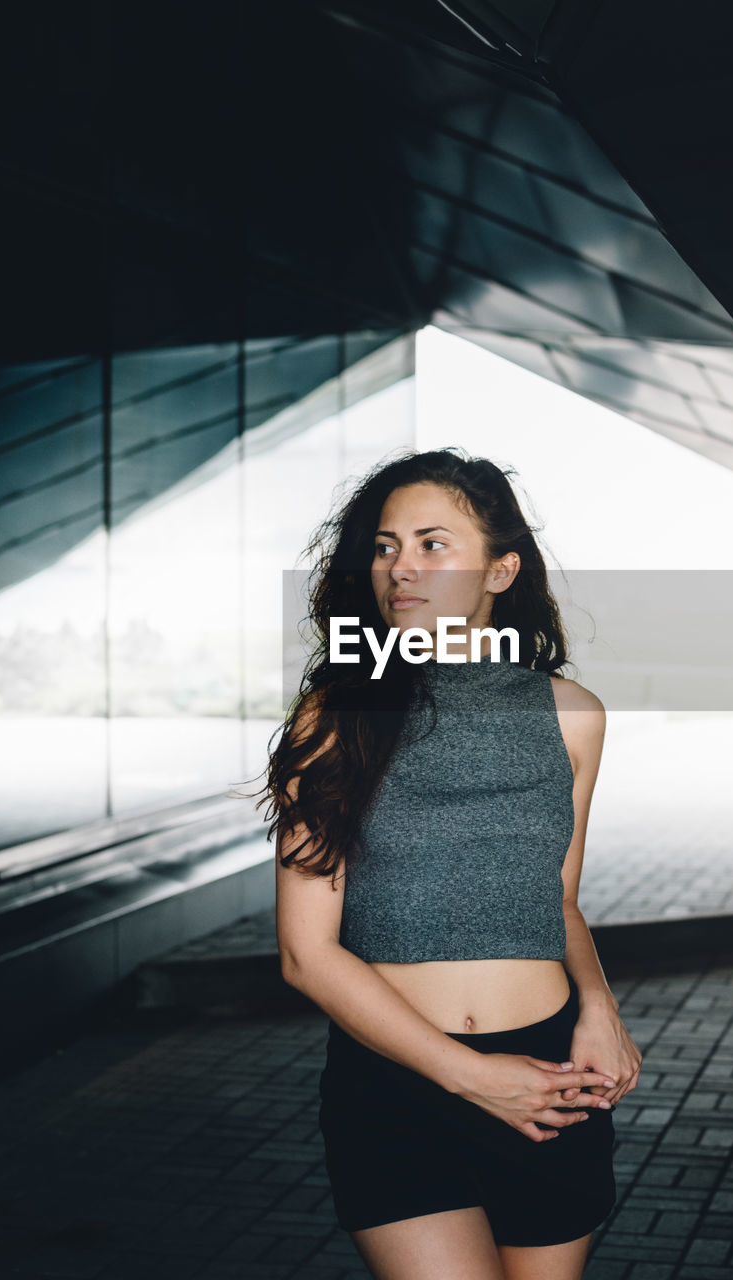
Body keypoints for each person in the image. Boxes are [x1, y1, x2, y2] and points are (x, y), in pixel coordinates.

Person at [260, 448, 641, 1280]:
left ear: (500, 569)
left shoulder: (574, 716)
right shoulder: (334, 718)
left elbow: (558, 900)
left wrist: (598, 1006)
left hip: (549, 1079)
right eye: (387, 545)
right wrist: (471, 1078)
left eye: (433, 544)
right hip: (395, 1084)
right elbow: (306, 954)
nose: (401, 567)